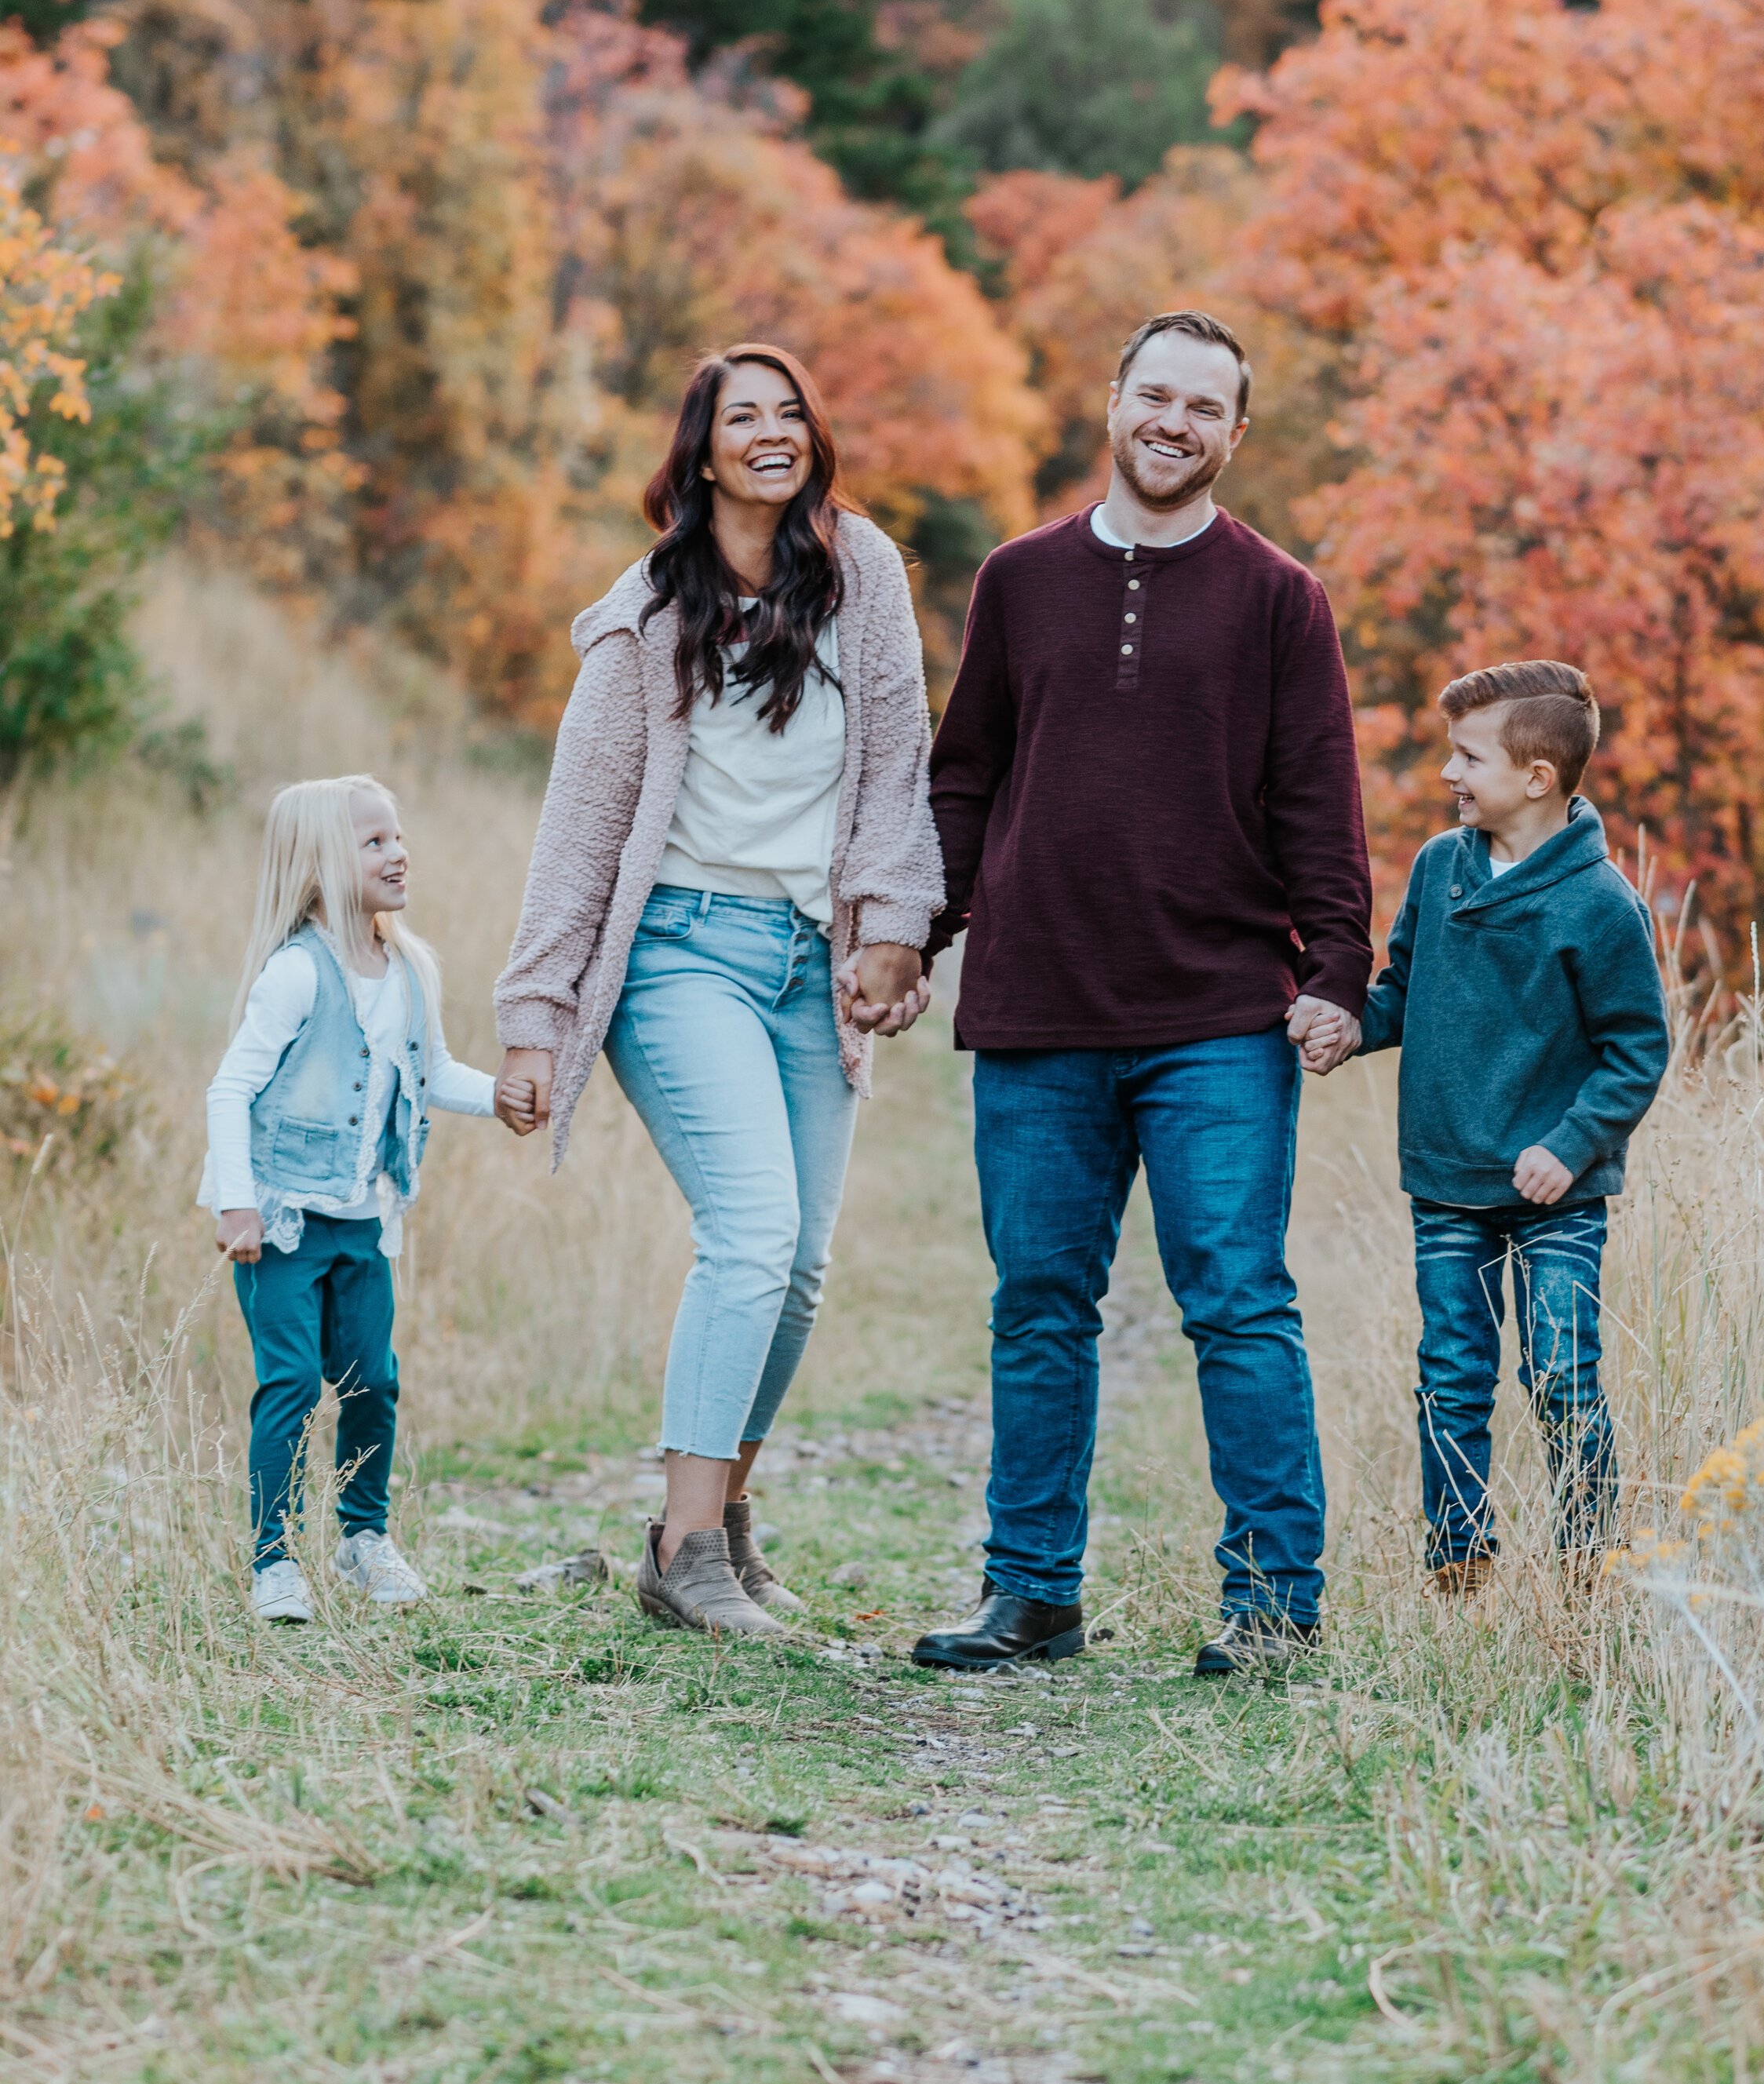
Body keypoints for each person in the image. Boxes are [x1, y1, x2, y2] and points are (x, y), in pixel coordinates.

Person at [910, 310, 1374, 1680]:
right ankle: (1033, 1592)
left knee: (1236, 1299)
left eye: (1204, 407)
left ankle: (1278, 1606)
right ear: (1113, 403)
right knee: (1039, 1301)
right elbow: (965, 774)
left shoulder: (1280, 597)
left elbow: (1319, 803)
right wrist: (917, 931)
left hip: (1220, 1014)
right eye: (1153, 395)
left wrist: (1336, 971)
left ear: (1237, 434)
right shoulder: (1018, 578)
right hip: (1038, 1001)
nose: (1173, 423)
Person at [494, 344, 942, 1645]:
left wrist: (894, 928)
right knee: (749, 1230)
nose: (771, 433)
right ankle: (683, 1551)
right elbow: (578, 830)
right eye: (743, 417)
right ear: (700, 451)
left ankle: (723, 1528)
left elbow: (899, 770)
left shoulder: (865, 575)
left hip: (812, 958)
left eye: (791, 411)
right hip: (681, 954)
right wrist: (534, 1017)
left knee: (800, 1263)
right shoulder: (647, 611)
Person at [1360, 662, 1671, 1593]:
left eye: (1467, 756)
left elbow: (1635, 1050)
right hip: (1447, 1183)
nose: (1448, 773)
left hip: (1556, 1196)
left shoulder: (1598, 902)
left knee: (1563, 1375)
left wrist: (1569, 1144)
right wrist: (1343, 1024)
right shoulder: (1438, 867)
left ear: (1537, 778)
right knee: (1452, 1376)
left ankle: (1586, 1565)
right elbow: (1401, 992)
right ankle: (1460, 1559)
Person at [204, 774, 520, 1624]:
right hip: (281, 1222)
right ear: (316, 866)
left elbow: (432, 1070)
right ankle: (274, 1560)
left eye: (398, 836)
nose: (398, 851)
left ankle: (362, 1537)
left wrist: (500, 1097)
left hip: (364, 1216)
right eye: (373, 841)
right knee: (293, 1383)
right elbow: (228, 1089)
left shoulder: (411, 967)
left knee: (372, 1379)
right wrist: (237, 1205)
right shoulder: (296, 975)